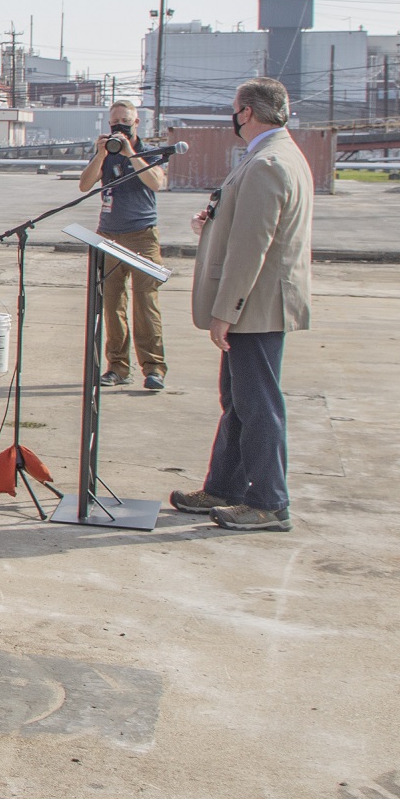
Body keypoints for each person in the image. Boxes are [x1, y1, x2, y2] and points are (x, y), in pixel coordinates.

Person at [171, 78, 313, 533]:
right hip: (257, 302)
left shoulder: (268, 163)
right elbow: (245, 222)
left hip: (256, 305)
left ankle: (269, 502)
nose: (233, 118)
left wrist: (225, 311)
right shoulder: (274, 155)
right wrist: (210, 223)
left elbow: (253, 246)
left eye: (235, 110)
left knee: (258, 405)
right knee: (237, 401)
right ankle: (225, 487)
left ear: (247, 113)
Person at [80, 99, 169, 391]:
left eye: (124, 123)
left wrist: (130, 153)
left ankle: (154, 368)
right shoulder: (106, 154)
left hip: (141, 234)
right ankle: (117, 366)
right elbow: (84, 185)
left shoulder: (147, 151)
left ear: (136, 123)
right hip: (109, 236)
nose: (119, 128)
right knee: (112, 303)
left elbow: (157, 182)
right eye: (114, 124)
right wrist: (101, 155)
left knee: (146, 303)